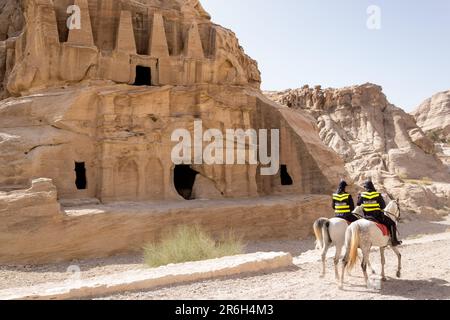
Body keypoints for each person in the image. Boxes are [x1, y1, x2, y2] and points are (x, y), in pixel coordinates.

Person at [357, 180, 402, 246]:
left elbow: (358, 204)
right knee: (392, 223)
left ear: (366, 187)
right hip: (377, 216)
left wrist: (360, 197)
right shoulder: (377, 194)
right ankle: (394, 241)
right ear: (372, 186)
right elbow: (383, 206)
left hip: (366, 216)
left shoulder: (363, 195)